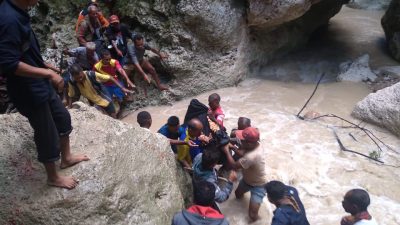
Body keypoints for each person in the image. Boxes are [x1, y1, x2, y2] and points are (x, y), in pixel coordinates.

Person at [0, 0, 89, 189]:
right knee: (46, 131)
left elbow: (25, 50)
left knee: (63, 118)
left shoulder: (19, 10)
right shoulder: (8, 19)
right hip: (26, 88)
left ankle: (66, 158)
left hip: (39, 81)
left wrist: (47, 67)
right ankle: (53, 177)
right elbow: (8, 63)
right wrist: (48, 74)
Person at [221, 127, 268, 222]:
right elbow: (242, 152)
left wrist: (226, 151)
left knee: (252, 215)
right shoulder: (256, 145)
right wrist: (233, 147)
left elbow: (234, 165)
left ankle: (263, 222)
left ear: (249, 143)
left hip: (259, 185)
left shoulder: (251, 157)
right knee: (237, 195)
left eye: (241, 140)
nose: (239, 141)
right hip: (247, 180)